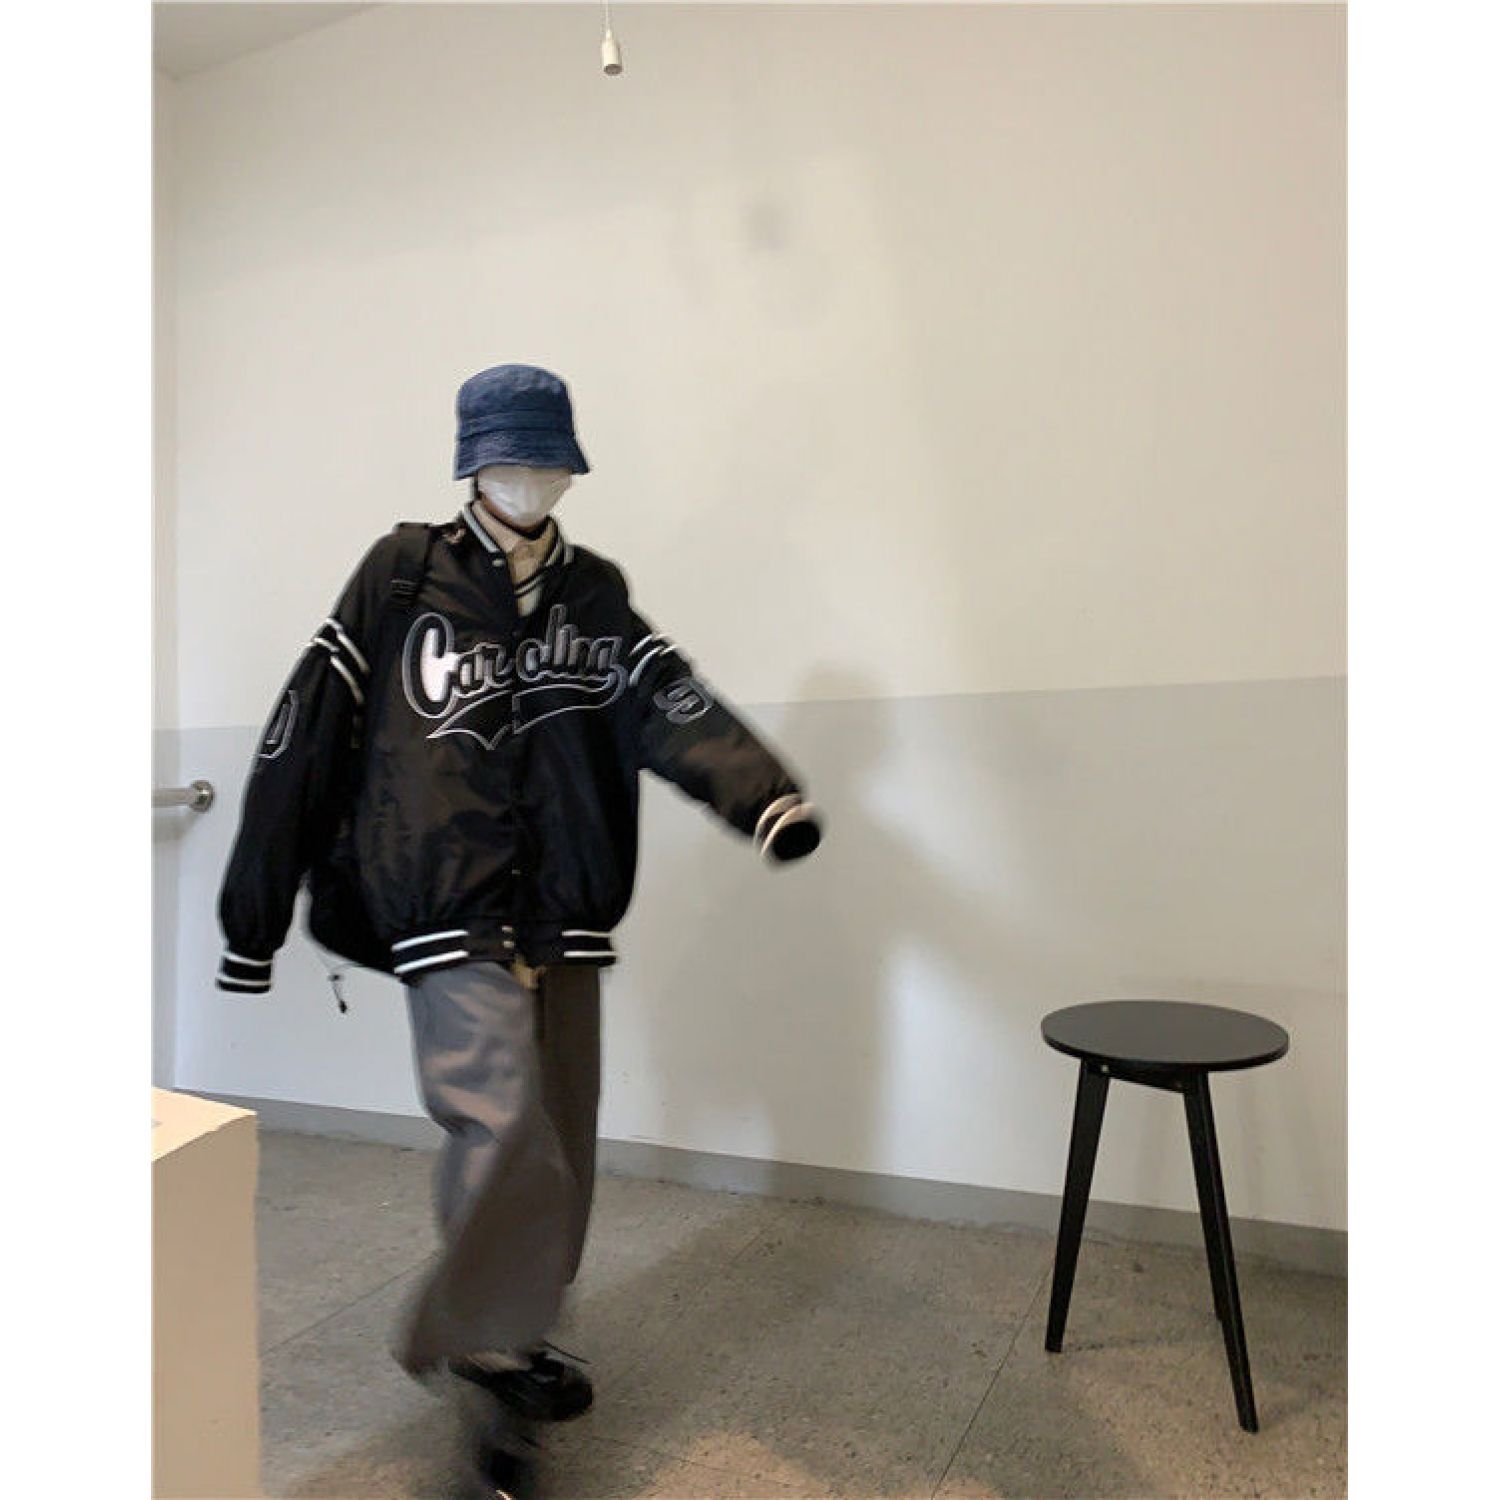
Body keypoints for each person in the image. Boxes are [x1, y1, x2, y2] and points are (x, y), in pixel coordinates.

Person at [214, 362, 823, 1454]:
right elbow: (303, 735)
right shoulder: (403, 576)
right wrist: (251, 918)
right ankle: (471, 1340)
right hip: (445, 898)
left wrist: (763, 796)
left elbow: (671, 703)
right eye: (509, 459)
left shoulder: (596, 594)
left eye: (547, 460)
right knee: (500, 1124)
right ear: (471, 466)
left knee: (563, 1138)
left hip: (569, 907)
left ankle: (517, 1330)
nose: (530, 479)